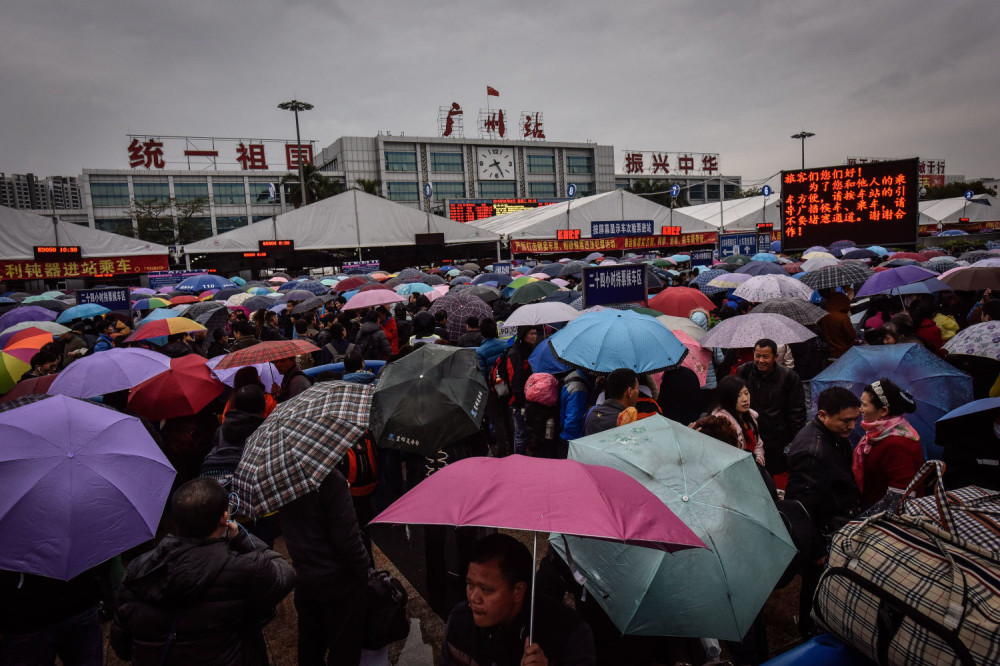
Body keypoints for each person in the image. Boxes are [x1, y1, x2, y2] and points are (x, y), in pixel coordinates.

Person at [110, 477, 296, 665]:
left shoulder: (137, 570)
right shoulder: (243, 569)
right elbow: (284, 573)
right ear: (224, 518)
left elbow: (123, 647)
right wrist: (241, 539)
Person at [441, 534, 596, 666]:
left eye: (485, 589)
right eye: (470, 584)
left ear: (517, 591)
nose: (473, 598)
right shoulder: (460, 622)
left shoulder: (569, 635)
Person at [784, 387, 862, 638]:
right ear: (824, 415)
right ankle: (809, 629)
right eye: (845, 420)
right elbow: (802, 507)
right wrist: (815, 550)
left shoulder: (832, 436)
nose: (852, 425)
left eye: (855, 419)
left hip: (836, 520)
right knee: (815, 583)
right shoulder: (812, 450)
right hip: (824, 532)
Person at [279, 469, 370, 665]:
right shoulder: (330, 479)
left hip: (306, 576)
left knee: (310, 647)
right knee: (344, 649)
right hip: (341, 583)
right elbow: (348, 541)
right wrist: (365, 569)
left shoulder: (282, 479)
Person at [734, 339, 805, 476]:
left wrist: (796, 441)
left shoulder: (788, 377)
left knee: (772, 474)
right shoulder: (744, 371)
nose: (761, 360)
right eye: (757, 356)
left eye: (766, 357)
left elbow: (797, 412)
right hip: (749, 433)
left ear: (775, 357)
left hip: (776, 437)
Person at [855, 378, 924, 507]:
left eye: (864, 405)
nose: (860, 409)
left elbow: (900, 496)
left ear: (883, 411)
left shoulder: (896, 444)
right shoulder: (880, 432)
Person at [707, 375, 765, 465]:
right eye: (739, 396)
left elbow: (758, 444)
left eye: (746, 393)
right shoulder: (721, 424)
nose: (745, 399)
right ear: (728, 398)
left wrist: (758, 461)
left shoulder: (750, 416)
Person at [583, 368, 638, 435]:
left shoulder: (591, 413)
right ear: (630, 392)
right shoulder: (626, 421)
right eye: (637, 388)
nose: (638, 392)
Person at [817, 292, 856, 360]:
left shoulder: (822, 316)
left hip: (829, 353)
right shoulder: (843, 317)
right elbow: (851, 336)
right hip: (844, 352)